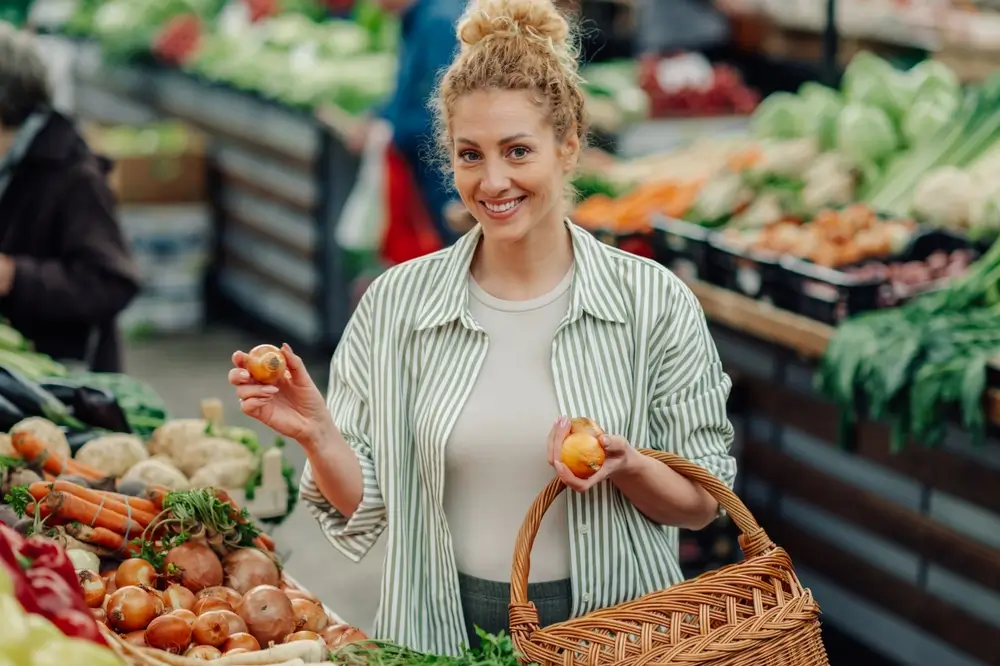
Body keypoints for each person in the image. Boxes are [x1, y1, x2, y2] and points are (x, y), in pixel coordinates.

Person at [230, 0, 736, 655]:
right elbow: (366, 507)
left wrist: (628, 464)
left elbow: (701, 502)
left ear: (569, 145)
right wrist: (316, 432)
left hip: (614, 636)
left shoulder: (653, 303)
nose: (493, 181)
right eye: (470, 155)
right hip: (439, 633)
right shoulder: (398, 305)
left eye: (517, 150)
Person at [0, 23, 139, 372]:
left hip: (65, 383)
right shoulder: (10, 160)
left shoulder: (72, 173)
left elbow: (112, 283)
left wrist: (15, 276)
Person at [348, 0, 468, 247]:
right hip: (428, 169)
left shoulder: (440, 20)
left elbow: (449, 107)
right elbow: (409, 90)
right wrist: (378, 116)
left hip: (445, 176)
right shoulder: (417, 18)